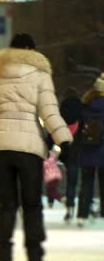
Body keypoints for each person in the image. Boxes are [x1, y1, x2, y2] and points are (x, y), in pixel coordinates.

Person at [0, 34, 73, 261]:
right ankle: (35, 254)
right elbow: (49, 112)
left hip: (0, 148)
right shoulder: (40, 76)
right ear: (32, 51)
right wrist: (63, 139)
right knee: (32, 204)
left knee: (6, 205)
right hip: (29, 148)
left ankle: (4, 254)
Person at [76, 73, 104, 227]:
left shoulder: (86, 105)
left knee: (86, 184)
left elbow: (79, 131)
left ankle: (82, 214)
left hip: (87, 150)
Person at [59, 86, 83, 222]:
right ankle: (84, 207)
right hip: (81, 147)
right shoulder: (82, 108)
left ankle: (69, 206)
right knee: (84, 180)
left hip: (67, 147)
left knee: (70, 181)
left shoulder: (62, 109)